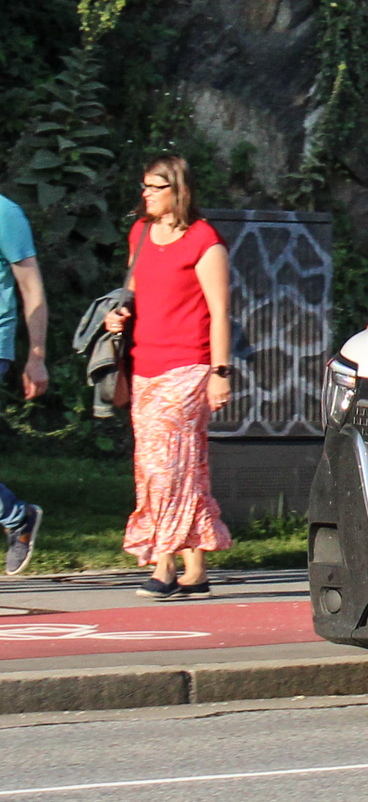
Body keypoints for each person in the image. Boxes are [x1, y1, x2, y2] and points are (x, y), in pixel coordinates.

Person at [102, 156, 233, 599]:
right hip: (144, 367)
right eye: (144, 186)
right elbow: (136, 293)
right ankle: (195, 571)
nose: (146, 194)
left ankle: (164, 564)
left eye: (155, 187)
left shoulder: (205, 242)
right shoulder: (139, 233)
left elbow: (219, 313)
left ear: (179, 190)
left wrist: (220, 372)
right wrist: (120, 315)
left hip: (189, 368)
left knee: (166, 468)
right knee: (177, 469)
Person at [0, 189, 48, 573]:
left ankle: (17, 518)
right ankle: (17, 517)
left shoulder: (6, 214)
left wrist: (36, 356)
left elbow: (31, 288)